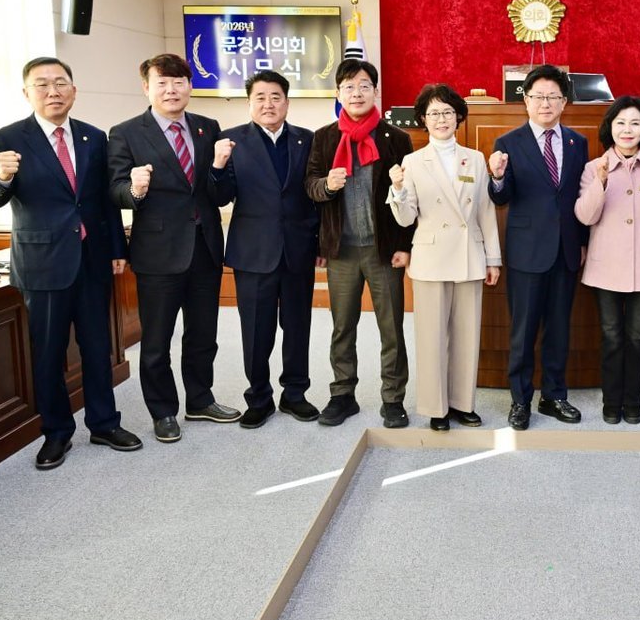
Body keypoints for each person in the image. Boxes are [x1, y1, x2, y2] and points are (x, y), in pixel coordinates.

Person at [0, 57, 141, 469]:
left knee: (98, 347)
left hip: (92, 259)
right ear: (27, 93)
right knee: (48, 353)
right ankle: (56, 432)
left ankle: (104, 423)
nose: (53, 91)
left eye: (60, 83)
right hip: (42, 264)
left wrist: (117, 250)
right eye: (42, 84)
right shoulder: (8, 138)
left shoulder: (93, 137)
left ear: (73, 89)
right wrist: (2, 177)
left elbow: (105, 200)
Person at [108, 53, 238, 443]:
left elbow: (219, 193)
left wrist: (218, 168)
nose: (171, 90)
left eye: (179, 82)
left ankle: (200, 400)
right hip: (157, 252)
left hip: (204, 248)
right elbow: (115, 191)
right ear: (146, 87)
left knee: (203, 335)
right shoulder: (125, 133)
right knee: (156, 340)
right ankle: (163, 411)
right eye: (162, 83)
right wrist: (135, 189)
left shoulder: (207, 127)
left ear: (190, 86)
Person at [207, 70, 321, 429]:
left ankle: (295, 394)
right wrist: (217, 165)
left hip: (297, 249)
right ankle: (258, 397)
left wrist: (319, 242)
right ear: (249, 102)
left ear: (287, 102)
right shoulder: (230, 141)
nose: (268, 104)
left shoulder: (307, 140)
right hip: (253, 252)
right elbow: (220, 197)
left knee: (298, 326)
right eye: (260, 97)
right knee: (256, 330)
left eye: (275, 97)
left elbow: (314, 196)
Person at [305, 58, 414, 428]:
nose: (357, 93)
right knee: (342, 327)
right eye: (349, 87)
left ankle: (393, 399)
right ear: (338, 93)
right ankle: (342, 395)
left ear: (375, 91)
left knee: (391, 328)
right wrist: (326, 185)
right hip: (341, 251)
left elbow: (410, 196)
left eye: (364, 85)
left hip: (384, 250)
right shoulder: (324, 137)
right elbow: (310, 186)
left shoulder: (396, 138)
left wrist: (405, 246)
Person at [387, 84, 501, 431]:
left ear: (458, 117)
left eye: (448, 112)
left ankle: (463, 403)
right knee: (432, 336)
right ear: (423, 119)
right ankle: (436, 407)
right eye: (434, 113)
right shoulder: (412, 162)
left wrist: (493, 259)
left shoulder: (475, 158)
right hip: (431, 257)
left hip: (469, 254)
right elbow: (406, 218)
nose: (441, 119)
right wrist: (397, 190)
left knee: (467, 334)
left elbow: (485, 211)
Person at [488, 64, 589, 431]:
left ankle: (554, 395)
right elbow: (502, 198)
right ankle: (520, 400)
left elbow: (580, 197)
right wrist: (497, 177)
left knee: (559, 328)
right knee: (524, 329)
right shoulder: (508, 143)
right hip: (527, 250)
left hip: (566, 249)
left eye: (553, 97)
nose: (546, 103)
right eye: (538, 96)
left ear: (564, 102)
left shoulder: (578, 142)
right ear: (526, 100)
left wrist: (582, 243)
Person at [575, 96, 640, 425]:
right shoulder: (594, 167)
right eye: (620, 123)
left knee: (637, 337)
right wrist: (601, 182)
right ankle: (611, 402)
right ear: (610, 128)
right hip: (604, 269)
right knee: (611, 336)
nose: (627, 129)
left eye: (635, 123)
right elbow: (585, 216)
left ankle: (632, 401)